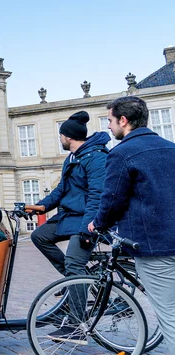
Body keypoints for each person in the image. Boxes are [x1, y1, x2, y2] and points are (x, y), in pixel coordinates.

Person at [88, 96, 175, 353]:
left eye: (110, 121)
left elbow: (112, 199)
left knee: (169, 315)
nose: (109, 127)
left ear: (123, 121)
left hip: (154, 246)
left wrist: (98, 223)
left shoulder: (121, 153)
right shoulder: (172, 148)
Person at [26, 110, 109, 344]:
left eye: (60, 135)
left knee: (74, 262)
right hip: (71, 216)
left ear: (68, 137)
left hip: (87, 219)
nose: (59, 139)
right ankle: (74, 283)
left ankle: (76, 325)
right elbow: (60, 190)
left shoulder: (96, 157)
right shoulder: (72, 158)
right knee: (40, 236)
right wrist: (39, 207)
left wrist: (86, 230)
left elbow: (97, 197)